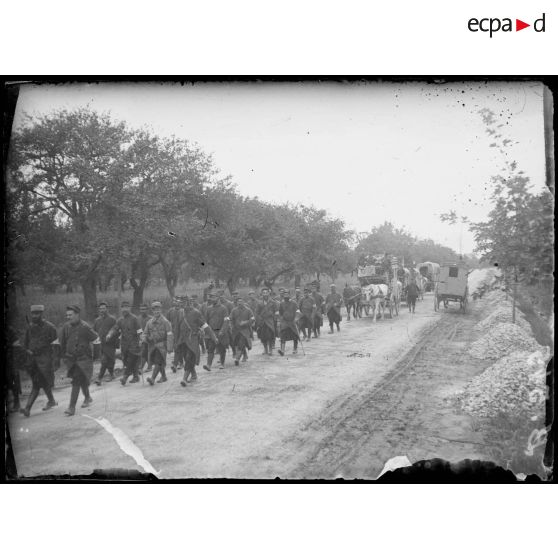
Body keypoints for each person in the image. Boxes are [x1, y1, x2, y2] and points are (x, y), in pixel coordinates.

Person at [58, 305, 100, 416]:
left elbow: (96, 339)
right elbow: (62, 343)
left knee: (76, 380)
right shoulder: (66, 327)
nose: (68, 317)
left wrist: (96, 356)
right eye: (67, 315)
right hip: (71, 359)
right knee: (81, 380)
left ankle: (71, 407)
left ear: (77, 315)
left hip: (84, 360)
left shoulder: (85, 326)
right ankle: (87, 397)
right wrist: (63, 356)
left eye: (70, 315)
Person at [19, 305, 58, 417]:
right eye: (33, 313)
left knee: (37, 384)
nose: (34, 316)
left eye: (37, 313)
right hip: (33, 362)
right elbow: (25, 344)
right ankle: (51, 401)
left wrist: (55, 361)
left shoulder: (50, 327)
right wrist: (28, 351)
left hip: (45, 361)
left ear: (42, 314)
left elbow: (56, 345)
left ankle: (27, 408)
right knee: (43, 383)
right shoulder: (29, 328)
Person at [176, 296, 219, 386]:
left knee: (189, 357)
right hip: (183, 340)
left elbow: (205, 326)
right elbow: (177, 328)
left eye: (183, 302)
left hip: (193, 340)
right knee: (186, 358)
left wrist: (213, 337)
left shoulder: (196, 313)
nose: (181, 304)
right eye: (180, 302)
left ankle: (184, 379)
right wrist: (175, 341)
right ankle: (194, 374)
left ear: (188, 302)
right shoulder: (180, 312)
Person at [107, 301, 143, 386]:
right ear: (121, 308)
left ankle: (125, 377)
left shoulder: (134, 318)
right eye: (123, 307)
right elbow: (115, 328)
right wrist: (109, 334)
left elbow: (139, 330)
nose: (125, 309)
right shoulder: (120, 320)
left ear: (129, 308)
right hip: (124, 345)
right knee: (127, 362)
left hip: (134, 344)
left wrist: (141, 339)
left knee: (130, 361)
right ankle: (136, 376)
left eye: (126, 307)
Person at [144, 301, 173, 385]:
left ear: (161, 310)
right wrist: (144, 339)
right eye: (155, 310)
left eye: (158, 309)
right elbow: (145, 333)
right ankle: (163, 376)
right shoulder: (149, 322)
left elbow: (170, 334)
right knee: (159, 362)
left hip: (162, 345)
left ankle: (152, 378)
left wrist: (170, 347)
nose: (157, 311)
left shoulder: (165, 322)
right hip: (152, 346)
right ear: (152, 311)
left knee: (158, 361)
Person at [203, 292, 230, 371]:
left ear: (218, 298)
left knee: (222, 349)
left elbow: (226, 321)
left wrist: (222, 331)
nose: (212, 299)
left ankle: (222, 363)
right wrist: (206, 331)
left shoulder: (223, 308)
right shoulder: (208, 309)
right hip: (212, 332)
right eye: (211, 297)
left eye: (214, 297)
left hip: (221, 332)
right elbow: (206, 321)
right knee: (211, 349)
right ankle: (208, 365)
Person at [93, 302, 118, 385]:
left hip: (110, 344)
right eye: (100, 309)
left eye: (104, 308)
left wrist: (113, 339)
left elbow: (117, 330)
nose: (102, 310)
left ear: (107, 309)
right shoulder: (97, 320)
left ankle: (100, 378)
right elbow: (94, 332)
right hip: (101, 345)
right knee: (105, 360)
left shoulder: (112, 319)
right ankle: (111, 374)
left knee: (108, 361)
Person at [230, 297, 255, 365]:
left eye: (241, 301)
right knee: (238, 343)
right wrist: (232, 326)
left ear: (243, 302)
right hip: (236, 330)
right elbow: (231, 319)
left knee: (241, 343)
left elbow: (252, 319)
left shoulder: (248, 310)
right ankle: (245, 355)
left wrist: (246, 322)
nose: (239, 303)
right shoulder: (234, 310)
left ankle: (237, 358)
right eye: (238, 301)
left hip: (245, 331)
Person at [6, 326, 25, 413]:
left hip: (10, 359)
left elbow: (16, 342)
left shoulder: (8, 329)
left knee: (13, 381)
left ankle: (17, 404)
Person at [255, 287, 278, 355]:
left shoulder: (273, 302)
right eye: (263, 293)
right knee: (263, 336)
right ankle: (265, 349)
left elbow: (276, 311)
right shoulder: (259, 303)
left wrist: (274, 316)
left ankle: (270, 349)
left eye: (266, 293)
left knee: (270, 335)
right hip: (262, 321)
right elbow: (257, 312)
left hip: (270, 321)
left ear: (269, 293)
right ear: (262, 294)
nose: (265, 294)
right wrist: (259, 320)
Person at [277, 291, 301, 356]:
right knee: (283, 335)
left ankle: (295, 349)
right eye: (285, 294)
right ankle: (282, 350)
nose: (286, 296)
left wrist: (296, 318)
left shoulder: (294, 303)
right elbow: (280, 312)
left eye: (287, 294)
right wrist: (280, 319)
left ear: (289, 295)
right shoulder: (281, 303)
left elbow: (298, 311)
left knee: (295, 335)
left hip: (292, 321)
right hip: (285, 322)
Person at [167, 297, 184, 373]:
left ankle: (177, 364)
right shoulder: (170, 311)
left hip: (182, 333)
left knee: (179, 348)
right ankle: (179, 363)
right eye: (176, 303)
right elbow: (167, 321)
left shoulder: (183, 311)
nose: (177, 304)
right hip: (174, 332)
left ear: (181, 304)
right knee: (177, 348)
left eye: (179, 303)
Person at [138, 304, 152, 373]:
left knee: (144, 352)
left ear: (147, 310)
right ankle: (149, 366)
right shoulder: (138, 318)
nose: (142, 311)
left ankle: (140, 367)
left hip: (149, 338)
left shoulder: (151, 318)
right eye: (141, 309)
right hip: (141, 338)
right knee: (145, 353)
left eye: (144, 309)